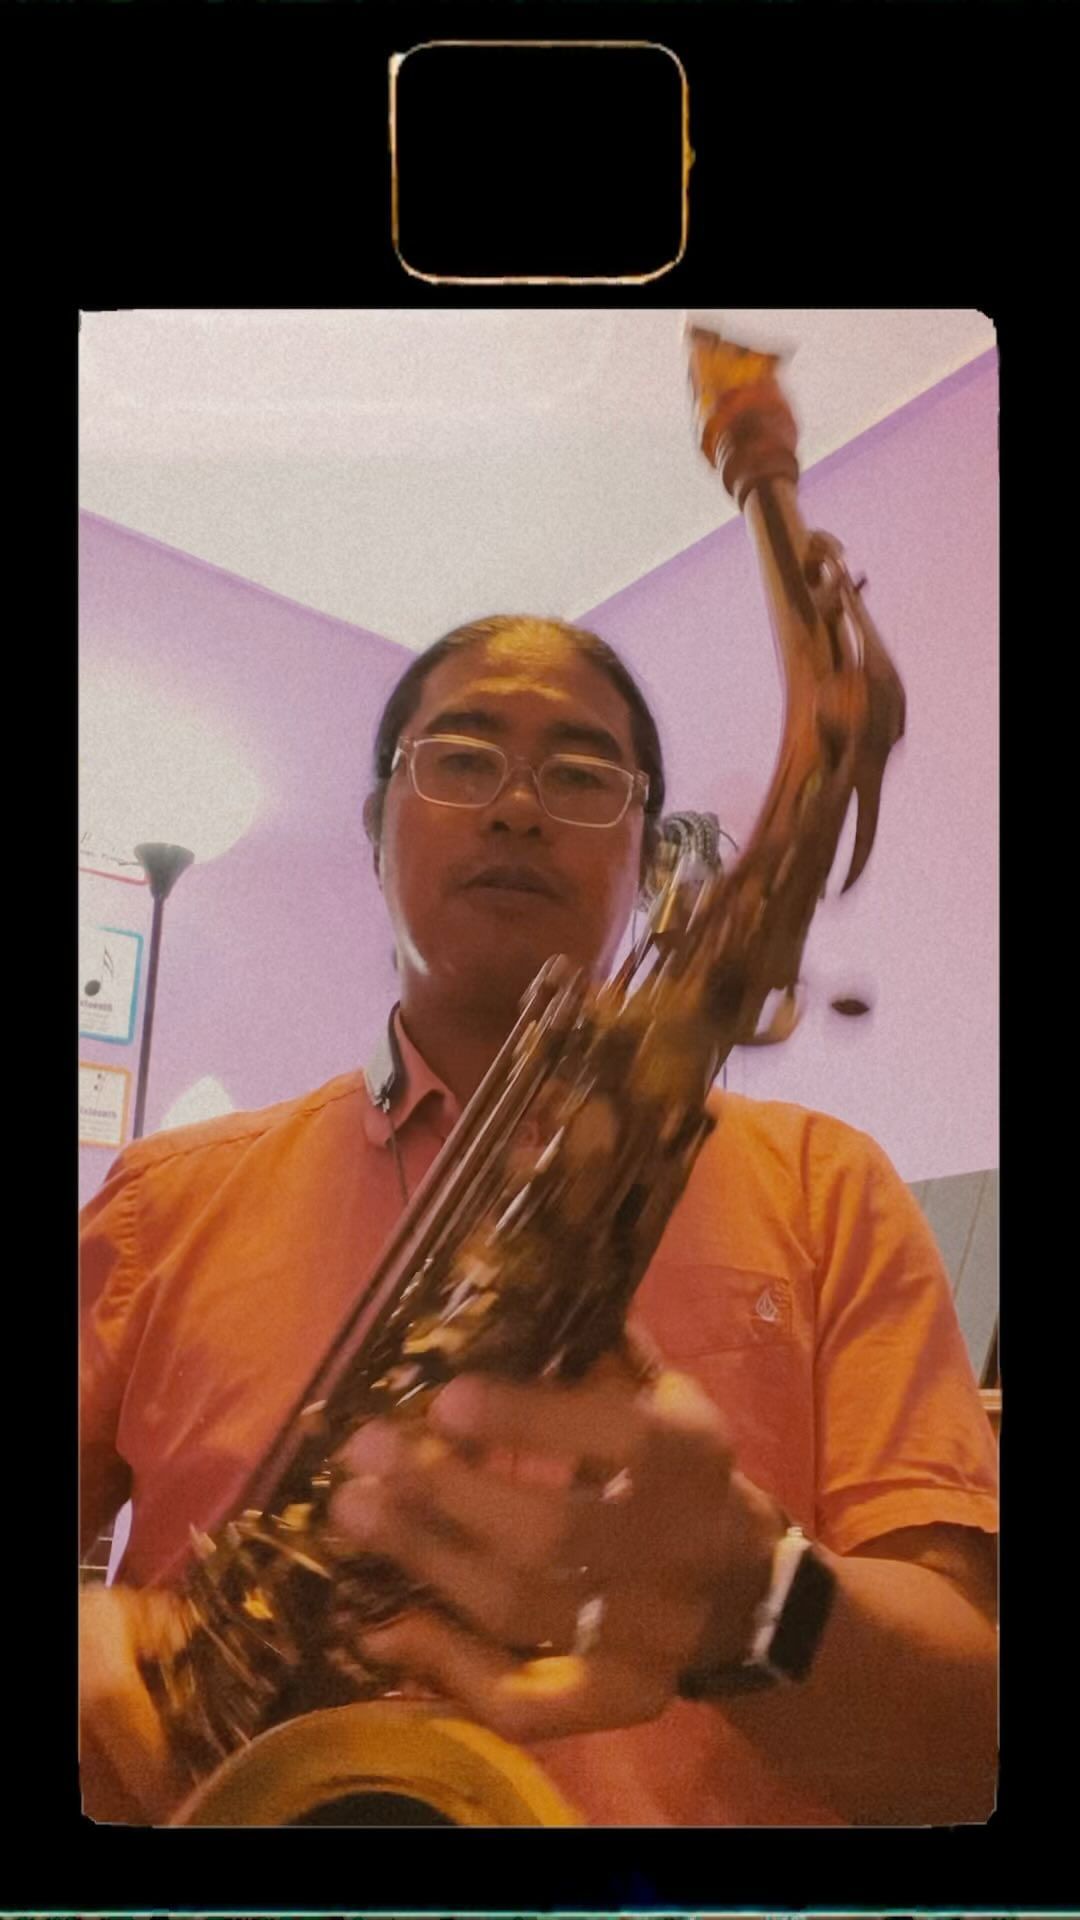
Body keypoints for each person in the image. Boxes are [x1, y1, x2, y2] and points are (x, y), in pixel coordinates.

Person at [80, 615, 998, 1826]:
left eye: (580, 774)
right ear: (376, 827)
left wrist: (754, 1602)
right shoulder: (161, 1198)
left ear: (645, 856)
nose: (517, 808)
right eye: (462, 758)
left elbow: (971, 1745)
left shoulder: (831, 1187)